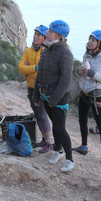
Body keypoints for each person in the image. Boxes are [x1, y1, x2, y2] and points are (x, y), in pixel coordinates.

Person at [32, 20, 74, 173]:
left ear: (57, 34)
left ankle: (69, 159)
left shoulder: (65, 52)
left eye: (49, 31)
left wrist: (54, 99)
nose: (47, 33)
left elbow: (65, 79)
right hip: (46, 95)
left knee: (60, 128)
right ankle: (59, 151)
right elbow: (40, 75)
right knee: (55, 125)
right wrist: (37, 96)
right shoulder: (47, 50)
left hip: (59, 97)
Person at [74, 30, 101, 167]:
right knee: (82, 120)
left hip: (97, 95)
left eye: (93, 40)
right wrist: (79, 71)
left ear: (99, 43)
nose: (89, 41)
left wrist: (93, 74)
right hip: (84, 93)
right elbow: (83, 69)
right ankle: (84, 147)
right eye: (89, 38)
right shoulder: (87, 54)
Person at [18, 25, 54, 152]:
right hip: (30, 87)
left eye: (38, 35)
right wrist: (35, 68)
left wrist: (30, 69)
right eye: (35, 34)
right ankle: (44, 139)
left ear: (44, 37)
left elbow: (45, 71)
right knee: (38, 115)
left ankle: (49, 142)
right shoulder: (29, 51)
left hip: (41, 88)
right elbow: (21, 68)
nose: (35, 37)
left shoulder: (47, 51)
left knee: (42, 115)